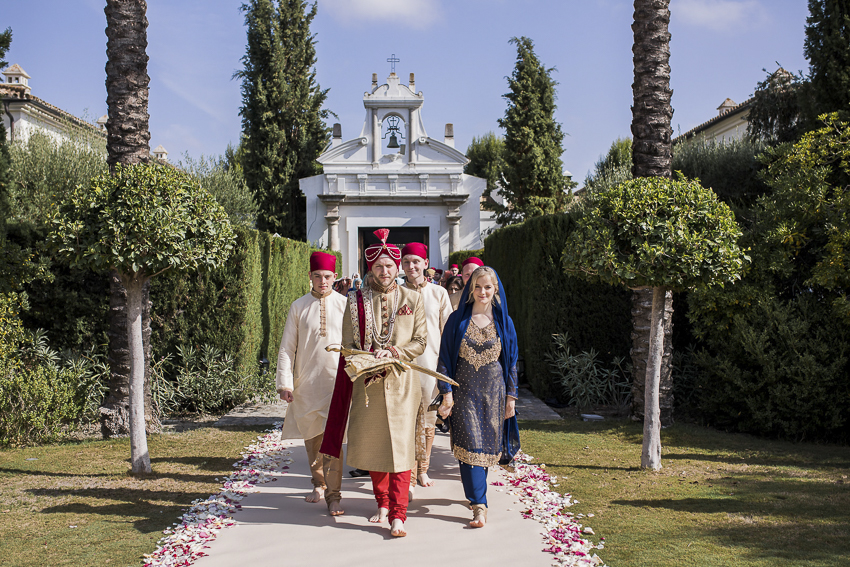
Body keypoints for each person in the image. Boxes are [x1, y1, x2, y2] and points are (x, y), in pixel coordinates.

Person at [321, 228, 427, 538]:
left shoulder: (412, 298)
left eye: (389, 266)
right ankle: (381, 502)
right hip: (368, 384)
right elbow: (346, 345)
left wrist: (394, 350)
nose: (384, 271)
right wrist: (366, 359)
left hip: (403, 383)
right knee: (375, 444)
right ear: (371, 268)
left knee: (401, 446)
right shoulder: (354, 301)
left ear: (398, 268)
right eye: (378, 266)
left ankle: (398, 513)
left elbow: (420, 341)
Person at [437, 266, 518, 528]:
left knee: (485, 450)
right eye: (478, 287)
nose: (483, 292)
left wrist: (511, 398)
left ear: (495, 290)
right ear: (471, 288)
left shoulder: (504, 322)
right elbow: (445, 360)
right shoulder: (457, 320)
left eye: (488, 287)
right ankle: (479, 505)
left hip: (493, 396)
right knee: (470, 445)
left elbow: (513, 362)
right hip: (465, 394)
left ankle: (476, 495)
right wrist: (446, 393)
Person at [276, 251, 347, 516]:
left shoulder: (345, 304)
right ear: (310, 277)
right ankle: (318, 483)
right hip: (306, 383)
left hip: (337, 382)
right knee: (312, 438)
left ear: (335, 277)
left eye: (327, 276)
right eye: (317, 276)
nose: (322, 281)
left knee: (334, 439)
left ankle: (334, 495)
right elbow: (287, 348)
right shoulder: (299, 306)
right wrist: (285, 383)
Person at [400, 242, 453, 496]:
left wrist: (447, 367)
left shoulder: (438, 294)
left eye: (416, 261)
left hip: (431, 366)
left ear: (425, 263)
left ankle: (423, 468)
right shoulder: (396, 293)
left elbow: (447, 332)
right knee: (407, 421)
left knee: (430, 420)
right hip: (403, 368)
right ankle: (407, 472)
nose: (411, 266)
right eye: (407, 261)